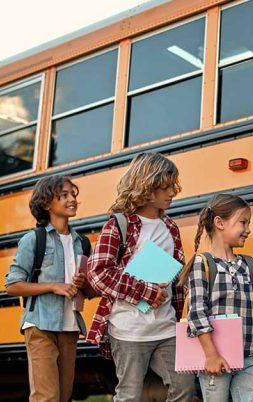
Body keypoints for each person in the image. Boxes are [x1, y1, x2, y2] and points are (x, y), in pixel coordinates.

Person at [86, 152, 195, 402]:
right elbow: (98, 273)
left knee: (185, 387)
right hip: (129, 331)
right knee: (129, 396)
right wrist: (146, 292)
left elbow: (175, 276)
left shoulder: (171, 227)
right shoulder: (120, 225)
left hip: (166, 326)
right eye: (165, 187)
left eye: (172, 186)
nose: (171, 193)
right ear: (146, 186)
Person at [178, 194, 253, 402]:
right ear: (219, 223)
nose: (248, 229)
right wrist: (210, 355)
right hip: (216, 358)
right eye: (243, 222)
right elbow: (197, 312)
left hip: (249, 358)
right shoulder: (204, 263)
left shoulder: (250, 265)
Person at [5, 175, 89, 402]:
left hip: (70, 327)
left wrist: (84, 285)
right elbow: (12, 285)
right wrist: (53, 286)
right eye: (64, 195)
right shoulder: (34, 239)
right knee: (46, 397)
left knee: (63, 397)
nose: (72, 199)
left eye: (73, 194)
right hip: (40, 325)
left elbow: (90, 290)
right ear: (46, 203)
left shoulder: (82, 242)